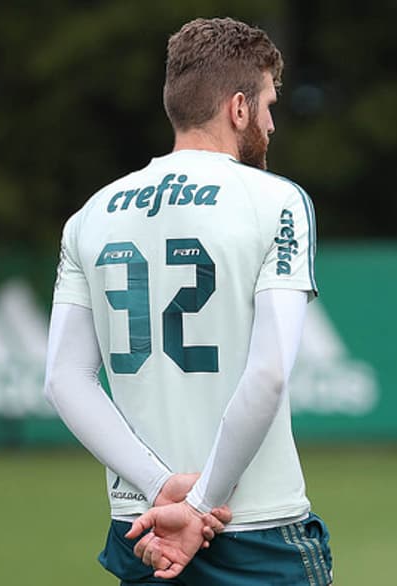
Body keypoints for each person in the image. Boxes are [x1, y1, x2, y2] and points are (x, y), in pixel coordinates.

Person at [43, 17, 332, 585]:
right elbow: (269, 373)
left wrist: (159, 486)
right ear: (239, 108)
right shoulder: (277, 200)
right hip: (253, 527)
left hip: (144, 527)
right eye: (269, 105)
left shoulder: (91, 214)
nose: (272, 124)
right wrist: (199, 504)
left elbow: (64, 378)